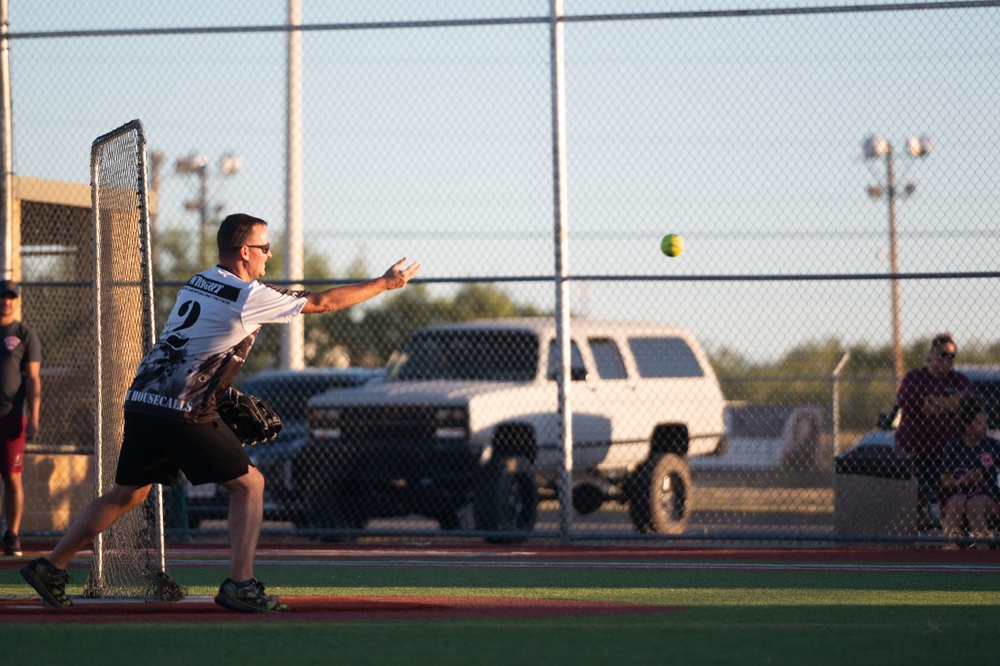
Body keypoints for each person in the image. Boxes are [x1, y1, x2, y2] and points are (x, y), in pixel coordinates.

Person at [21, 213, 421, 612]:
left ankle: (51, 565)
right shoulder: (249, 296)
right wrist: (386, 284)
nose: (269, 254)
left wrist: (223, 394)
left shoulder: (199, 280)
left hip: (144, 398)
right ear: (244, 252)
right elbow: (323, 302)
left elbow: (202, 345)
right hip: (182, 407)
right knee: (250, 486)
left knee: (127, 492)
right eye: (264, 247)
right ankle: (240, 584)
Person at [894, 333, 972, 526]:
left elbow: (964, 403)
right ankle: (912, 540)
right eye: (942, 354)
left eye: (951, 356)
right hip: (917, 452)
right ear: (931, 353)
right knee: (917, 497)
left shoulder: (959, 380)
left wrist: (932, 401)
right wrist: (949, 404)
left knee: (949, 498)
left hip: (949, 455)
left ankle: (948, 542)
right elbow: (910, 404)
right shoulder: (914, 378)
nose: (947, 359)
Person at [0, 280, 42, 557]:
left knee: (12, 477)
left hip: (12, 416)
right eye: (3, 296)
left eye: (12, 297)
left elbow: (33, 379)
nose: (7, 301)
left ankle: (12, 535)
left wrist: (34, 417)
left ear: (17, 300)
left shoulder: (25, 333)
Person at [939, 396, 1000, 548]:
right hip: (960, 493)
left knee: (975, 503)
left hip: (988, 498)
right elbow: (945, 480)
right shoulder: (953, 448)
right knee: (956, 502)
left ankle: (981, 551)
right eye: (979, 423)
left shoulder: (993, 446)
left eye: (985, 422)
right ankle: (950, 550)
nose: (985, 427)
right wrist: (965, 481)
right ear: (967, 426)